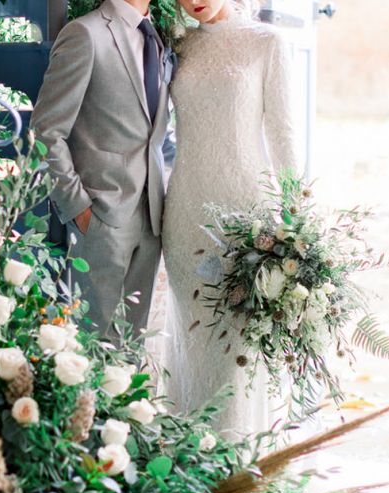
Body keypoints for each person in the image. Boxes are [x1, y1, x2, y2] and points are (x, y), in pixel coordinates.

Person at [162, 0, 298, 439]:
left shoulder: (268, 43)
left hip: (246, 216)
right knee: (193, 336)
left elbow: (283, 133)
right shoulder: (179, 45)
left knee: (236, 346)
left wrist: (295, 215)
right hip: (185, 210)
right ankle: (188, 455)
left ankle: (236, 461)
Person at [31, 0, 173, 338]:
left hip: (152, 217)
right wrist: (78, 207)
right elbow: (46, 132)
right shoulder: (86, 33)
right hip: (100, 217)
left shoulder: (158, 38)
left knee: (131, 346)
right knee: (89, 349)